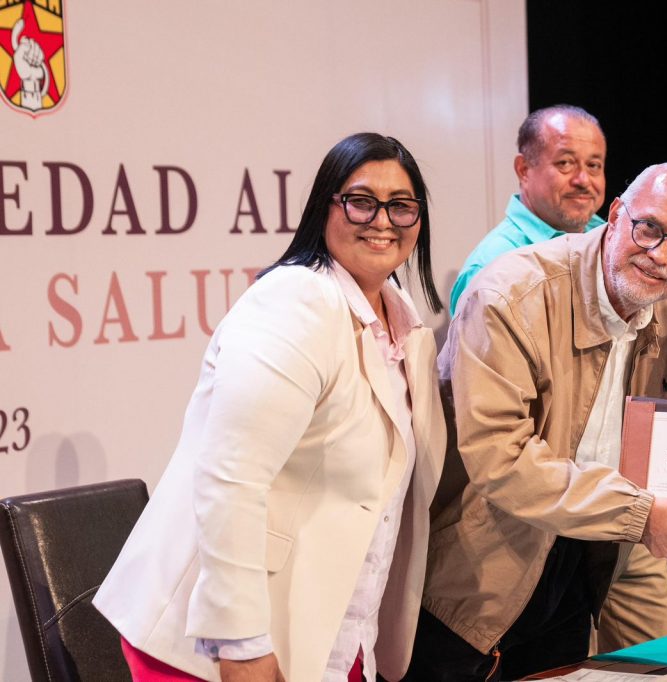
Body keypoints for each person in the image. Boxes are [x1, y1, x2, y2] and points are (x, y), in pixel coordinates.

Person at [93, 133, 447, 681]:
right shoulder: (296, 301)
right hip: (217, 643)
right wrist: (240, 643)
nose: (382, 220)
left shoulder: (406, 329)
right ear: (325, 207)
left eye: (401, 205)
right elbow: (231, 476)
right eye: (361, 201)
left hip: (329, 634)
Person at [408, 163, 667, 680]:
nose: (659, 256)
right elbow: (500, 460)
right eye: (649, 228)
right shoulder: (511, 294)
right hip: (478, 568)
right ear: (615, 214)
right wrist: (643, 516)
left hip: (587, 558)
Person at [448, 104, 606, 314]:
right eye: (565, 163)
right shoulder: (490, 266)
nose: (583, 180)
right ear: (524, 169)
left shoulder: (611, 240)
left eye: (593, 165)